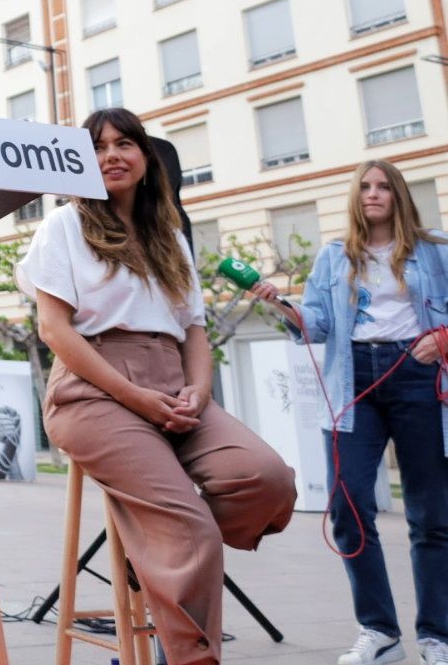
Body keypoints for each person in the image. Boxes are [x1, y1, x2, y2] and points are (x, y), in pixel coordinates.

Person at [19, 107, 296, 665]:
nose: (111, 156)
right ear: (78, 161)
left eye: (124, 144)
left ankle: (155, 554)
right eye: (96, 148)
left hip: (173, 379)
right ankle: (191, 653)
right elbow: (54, 329)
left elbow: (194, 328)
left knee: (267, 480)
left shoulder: (169, 234)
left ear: (146, 158)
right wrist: (134, 396)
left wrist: (199, 389)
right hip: (94, 387)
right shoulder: (64, 227)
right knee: (190, 531)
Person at [247, 159, 448, 665]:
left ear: (399, 195)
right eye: (365, 187)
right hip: (351, 377)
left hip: (419, 374)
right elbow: (314, 325)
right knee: (348, 508)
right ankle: (380, 632)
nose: (373, 194)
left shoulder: (435, 250)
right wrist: (280, 304)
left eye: (383, 187)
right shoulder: (334, 256)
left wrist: (443, 338)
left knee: (431, 516)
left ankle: (437, 636)